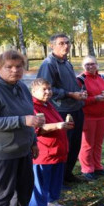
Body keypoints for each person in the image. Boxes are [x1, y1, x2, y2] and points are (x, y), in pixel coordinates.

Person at [0, 50, 45, 206]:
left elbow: (29, 115)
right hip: (1, 153)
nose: (15, 70)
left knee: (24, 191)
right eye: (9, 67)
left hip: (23, 150)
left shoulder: (20, 86)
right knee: (1, 196)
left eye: (19, 66)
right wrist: (21, 121)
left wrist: (33, 141)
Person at [37, 33, 87, 184]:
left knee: (75, 144)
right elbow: (45, 89)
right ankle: (59, 179)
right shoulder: (48, 64)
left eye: (67, 42)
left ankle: (68, 174)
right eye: (61, 43)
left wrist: (79, 92)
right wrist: (70, 94)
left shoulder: (66, 62)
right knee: (64, 145)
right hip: (61, 110)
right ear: (52, 45)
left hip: (76, 107)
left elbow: (68, 84)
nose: (66, 46)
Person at [29, 78, 74, 206]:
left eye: (49, 88)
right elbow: (37, 129)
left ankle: (51, 201)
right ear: (34, 91)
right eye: (44, 89)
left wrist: (64, 124)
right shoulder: (32, 106)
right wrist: (58, 126)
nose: (48, 92)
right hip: (44, 152)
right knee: (40, 180)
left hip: (58, 151)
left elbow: (56, 122)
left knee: (55, 179)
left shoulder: (48, 104)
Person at [77, 56, 104, 181]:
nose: (90, 66)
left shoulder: (103, 78)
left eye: (93, 64)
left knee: (98, 143)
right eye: (87, 64)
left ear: (97, 65)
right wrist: (95, 99)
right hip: (88, 116)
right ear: (83, 66)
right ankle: (87, 169)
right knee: (87, 144)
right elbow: (80, 101)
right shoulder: (80, 80)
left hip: (103, 114)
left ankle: (97, 166)